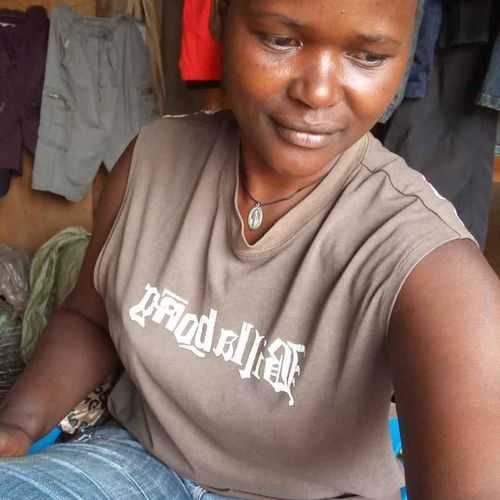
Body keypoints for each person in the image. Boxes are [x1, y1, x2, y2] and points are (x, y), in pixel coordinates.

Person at [0, 1, 499, 499]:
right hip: (135, 459)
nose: (318, 92)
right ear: (219, 18)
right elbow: (89, 318)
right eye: (280, 40)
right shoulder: (152, 160)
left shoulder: (431, 265)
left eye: (368, 56)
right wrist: (18, 426)